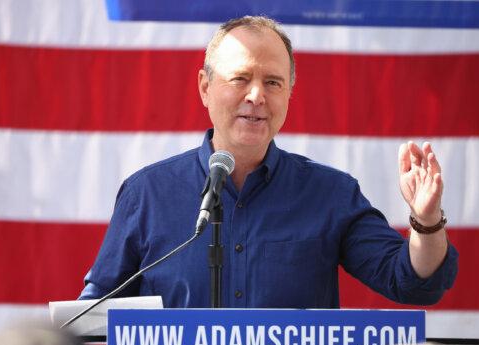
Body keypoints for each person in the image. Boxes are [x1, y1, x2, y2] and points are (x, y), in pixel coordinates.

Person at [79, 16, 458, 308]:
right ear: (205, 88)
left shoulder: (330, 194)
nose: (257, 96)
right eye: (240, 78)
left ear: (290, 93)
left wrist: (426, 222)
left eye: (273, 82)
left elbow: (411, 281)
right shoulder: (148, 193)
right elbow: (95, 313)